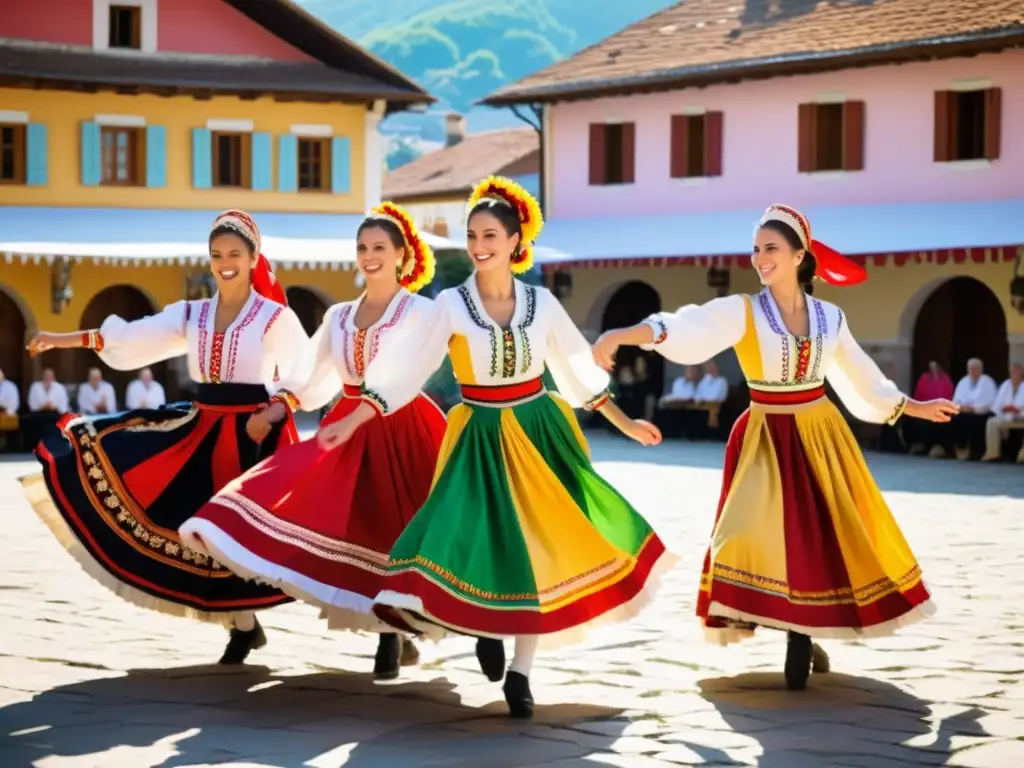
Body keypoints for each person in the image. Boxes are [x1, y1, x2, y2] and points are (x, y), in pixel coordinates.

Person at [325, 176, 673, 719]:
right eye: (472, 235)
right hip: (479, 434)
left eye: (489, 234)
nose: (479, 245)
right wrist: (358, 414)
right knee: (472, 541)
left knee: (539, 550)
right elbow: (407, 363)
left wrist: (624, 422)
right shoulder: (450, 305)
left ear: (515, 241)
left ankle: (521, 672)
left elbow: (576, 367)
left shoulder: (542, 302)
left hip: (539, 431)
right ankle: (483, 626)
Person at [593, 204, 958, 691]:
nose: (760, 258)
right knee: (746, 534)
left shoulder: (830, 316)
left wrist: (911, 406)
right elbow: (686, 327)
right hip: (765, 433)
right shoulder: (743, 310)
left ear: (799, 255)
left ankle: (804, 633)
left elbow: (860, 375)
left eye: (771, 248)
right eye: (756, 249)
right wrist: (624, 334)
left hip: (820, 433)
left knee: (823, 537)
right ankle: (797, 627)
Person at [22, 210, 310, 665]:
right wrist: (61, 339)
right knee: (194, 524)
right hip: (203, 427)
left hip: (255, 434)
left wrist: (279, 408)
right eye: (216, 255)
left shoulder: (274, 317)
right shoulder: (192, 313)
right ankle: (245, 626)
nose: (225, 262)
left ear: (255, 258)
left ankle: (377, 628)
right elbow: (132, 338)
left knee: (250, 535)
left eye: (235, 253)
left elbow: (305, 371)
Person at [179, 203, 445, 680]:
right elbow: (309, 371)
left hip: (406, 425)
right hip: (346, 427)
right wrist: (278, 407)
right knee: (361, 526)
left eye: (379, 248)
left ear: (403, 255)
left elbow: (415, 366)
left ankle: (427, 631)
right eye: (362, 248)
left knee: (411, 526)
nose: (369, 256)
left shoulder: (422, 311)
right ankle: (388, 634)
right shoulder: (340, 316)